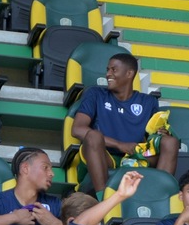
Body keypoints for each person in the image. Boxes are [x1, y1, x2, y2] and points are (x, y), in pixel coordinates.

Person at [71, 53, 179, 199]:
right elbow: (77, 129)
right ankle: (104, 199)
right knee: (93, 136)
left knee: (170, 142)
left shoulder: (148, 102)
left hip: (136, 158)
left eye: (113, 70)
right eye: (107, 69)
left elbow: (153, 137)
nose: (108, 74)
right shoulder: (95, 94)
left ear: (129, 73)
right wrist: (119, 144)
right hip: (105, 156)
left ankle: (158, 197)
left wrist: (161, 134)